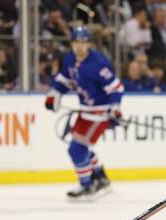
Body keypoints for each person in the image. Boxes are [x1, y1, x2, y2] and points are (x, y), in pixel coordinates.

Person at [45, 26, 124, 200]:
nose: (79, 46)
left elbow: (116, 88)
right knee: (81, 147)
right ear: (72, 43)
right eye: (76, 42)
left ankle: (86, 185)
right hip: (85, 112)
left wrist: (115, 108)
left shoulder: (99, 64)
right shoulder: (70, 59)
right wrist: (54, 95)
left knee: (76, 149)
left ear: (89, 44)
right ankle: (100, 177)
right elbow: (63, 81)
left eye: (83, 42)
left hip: (100, 114)